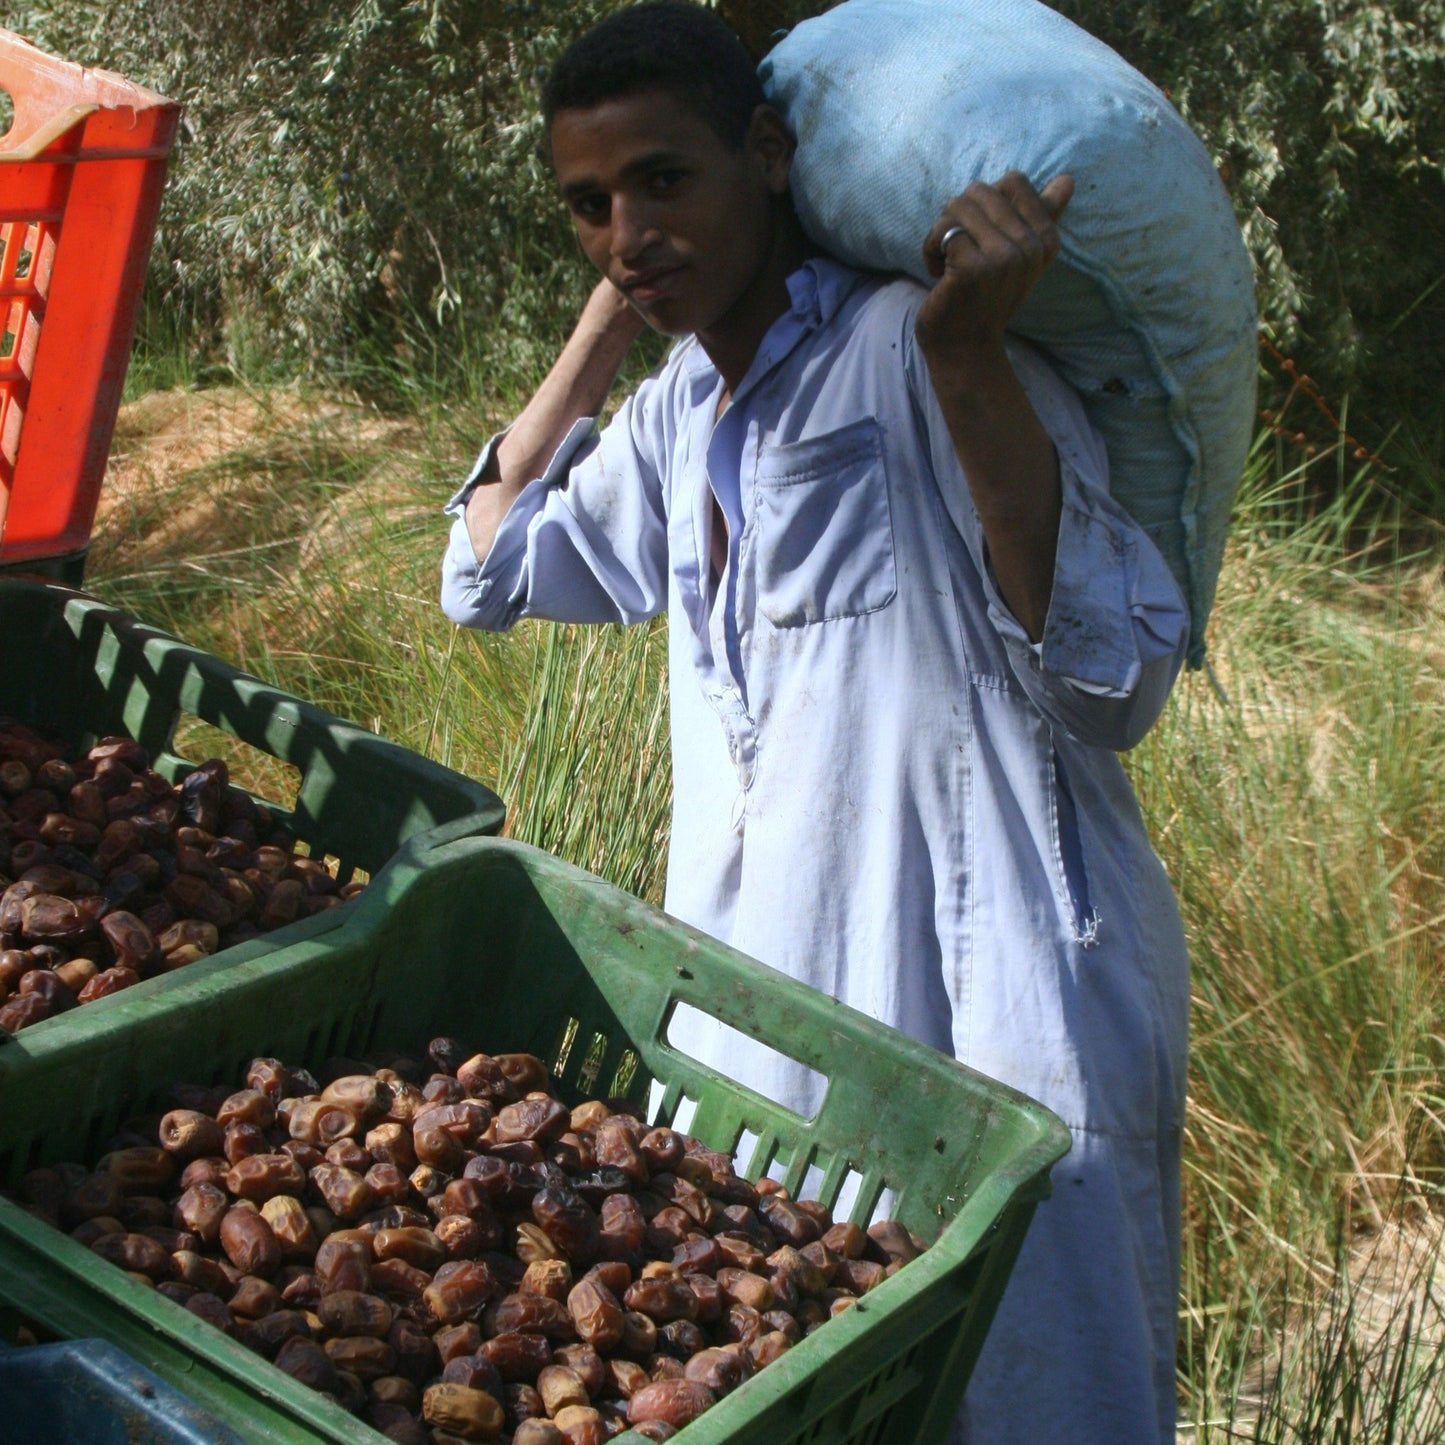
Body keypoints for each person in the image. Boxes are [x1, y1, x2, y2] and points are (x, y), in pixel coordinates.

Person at [440, 4, 1191, 1440]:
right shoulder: (681, 413)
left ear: (769, 155)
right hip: (782, 1038)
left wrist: (967, 352)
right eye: (589, 206)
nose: (627, 231)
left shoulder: (915, 353)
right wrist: (616, 308)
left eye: (665, 180)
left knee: (1034, 1406)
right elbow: (485, 568)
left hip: (999, 1014)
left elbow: (1113, 680)